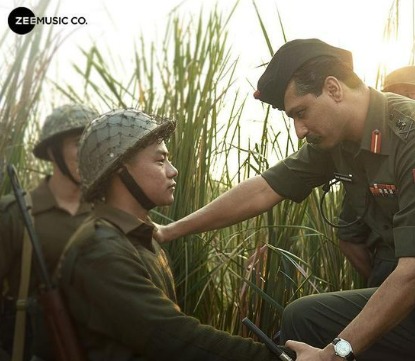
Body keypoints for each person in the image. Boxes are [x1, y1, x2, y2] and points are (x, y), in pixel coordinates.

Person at [156, 38, 415, 360]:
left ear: (333, 89)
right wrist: (169, 231)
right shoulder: (336, 140)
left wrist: (334, 354)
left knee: (334, 348)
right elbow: (263, 189)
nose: (298, 129)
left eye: (301, 112)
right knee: (304, 318)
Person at [55, 109, 280, 360]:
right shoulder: (100, 251)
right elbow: (176, 339)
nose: (173, 171)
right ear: (120, 170)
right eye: (160, 161)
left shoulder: (141, 237)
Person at [0, 104, 97, 361]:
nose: (88, 152)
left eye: (92, 143)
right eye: (79, 143)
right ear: (53, 152)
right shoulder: (15, 213)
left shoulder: (106, 213)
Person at [339, 65, 415, 287]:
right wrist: (383, 283)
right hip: (390, 268)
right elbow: (349, 237)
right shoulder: (368, 155)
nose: (402, 102)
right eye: (393, 95)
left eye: (410, 95)